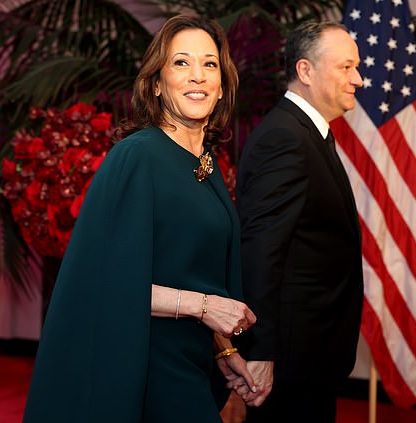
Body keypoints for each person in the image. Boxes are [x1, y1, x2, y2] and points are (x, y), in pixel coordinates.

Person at [23, 14, 258, 423]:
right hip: (144, 364)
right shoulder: (137, 157)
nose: (197, 76)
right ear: (156, 83)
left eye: (209, 64)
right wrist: (205, 308)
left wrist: (224, 349)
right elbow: (103, 283)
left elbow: (191, 270)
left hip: (191, 359)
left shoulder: (208, 162)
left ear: (222, 87)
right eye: (181, 63)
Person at [233, 20, 364, 422]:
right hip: (290, 361)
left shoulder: (308, 133)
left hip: (311, 355)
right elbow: (260, 252)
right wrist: (262, 351)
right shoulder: (286, 139)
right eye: (346, 67)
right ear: (306, 71)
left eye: (356, 67)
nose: (358, 79)